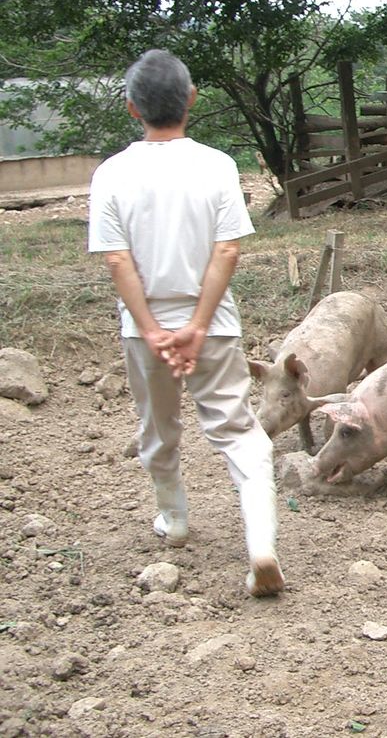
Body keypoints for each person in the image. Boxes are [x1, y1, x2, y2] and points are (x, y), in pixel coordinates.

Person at [87, 49, 284, 597]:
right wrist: (197, 325)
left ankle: (174, 521)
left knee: (158, 428)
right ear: (192, 99)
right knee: (240, 433)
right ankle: (260, 546)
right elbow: (226, 252)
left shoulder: (112, 174)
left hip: (143, 332)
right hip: (214, 327)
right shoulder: (218, 166)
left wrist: (153, 330)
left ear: (132, 108)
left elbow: (117, 261)